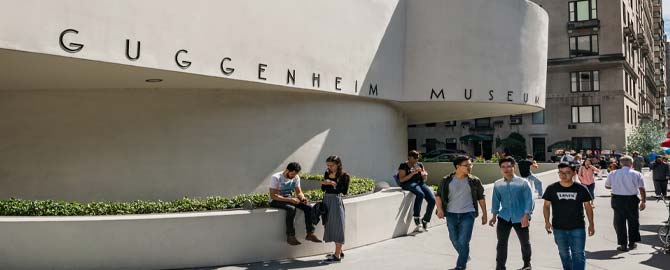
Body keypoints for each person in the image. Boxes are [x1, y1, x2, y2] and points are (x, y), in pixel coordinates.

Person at [435, 155, 487, 270]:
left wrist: (485, 214)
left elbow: (481, 198)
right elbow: (438, 195)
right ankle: (465, 256)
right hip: (451, 214)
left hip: (468, 214)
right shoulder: (446, 180)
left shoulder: (474, 180)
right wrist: (439, 209)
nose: (470, 167)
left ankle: (460, 266)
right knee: (454, 239)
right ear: (457, 166)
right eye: (466, 165)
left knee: (464, 241)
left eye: (470, 164)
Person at [543, 163, 595, 270]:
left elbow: (588, 206)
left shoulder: (581, 188)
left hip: (578, 227)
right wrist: (547, 221)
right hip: (558, 228)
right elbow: (546, 206)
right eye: (561, 173)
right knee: (564, 253)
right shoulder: (552, 188)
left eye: (567, 172)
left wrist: (591, 224)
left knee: (578, 254)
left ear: (573, 173)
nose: (563, 175)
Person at [489, 157, 534, 270]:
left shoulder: (523, 183)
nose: (506, 169)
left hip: (521, 218)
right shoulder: (498, 184)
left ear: (514, 167)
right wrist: (494, 216)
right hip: (504, 217)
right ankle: (500, 267)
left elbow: (529, 200)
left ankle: (527, 264)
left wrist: (526, 216)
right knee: (501, 243)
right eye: (503, 167)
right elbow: (496, 200)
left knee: (525, 243)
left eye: (509, 166)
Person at [269, 162, 322, 245]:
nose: (293, 176)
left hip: (290, 198)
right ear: (287, 170)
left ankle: (310, 233)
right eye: (292, 174)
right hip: (275, 200)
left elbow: (299, 192)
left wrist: (302, 198)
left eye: (295, 174)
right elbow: (273, 196)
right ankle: (290, 236)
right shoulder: (276, 177)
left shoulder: (296, 177)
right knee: (291, 208)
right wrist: (290, 200)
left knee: (308, 207)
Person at [605, 155, 646, 251]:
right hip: (632, 199)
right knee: (633, 221)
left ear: (620, 163)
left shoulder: (613, 173)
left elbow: (607, 186)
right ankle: (632, 243)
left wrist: (617, 186)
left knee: (619, 222)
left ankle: (623, 244)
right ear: (631, 163)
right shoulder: (637, 174)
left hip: (617, 199)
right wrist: (643, 201)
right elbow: (642, 188)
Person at [321, 156, 350, 262]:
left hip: (336, 201)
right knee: (331, 226)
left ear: (338, 164)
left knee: (338, 227)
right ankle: (340, 252)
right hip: (327, 200)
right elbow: (323, 189)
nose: (329, 167)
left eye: (331, 165)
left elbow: (344, 191)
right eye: (328, 165)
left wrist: (333, 183)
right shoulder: (327, 173)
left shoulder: (344, 176)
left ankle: (337, 256)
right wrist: (324, 183)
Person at [397, 150, 435, 232]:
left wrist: (424, 175)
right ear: (410, 157)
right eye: (415, 158)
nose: (416, 160)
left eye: (417, 158)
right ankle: (416, 216)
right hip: (408, 183)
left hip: (419, 183)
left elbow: (424, 180)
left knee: (432, 200)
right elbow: (402, 180)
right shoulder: (403, 165)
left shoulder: (419, 164)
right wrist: (412, 173)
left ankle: (425, 220)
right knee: (420, 194)